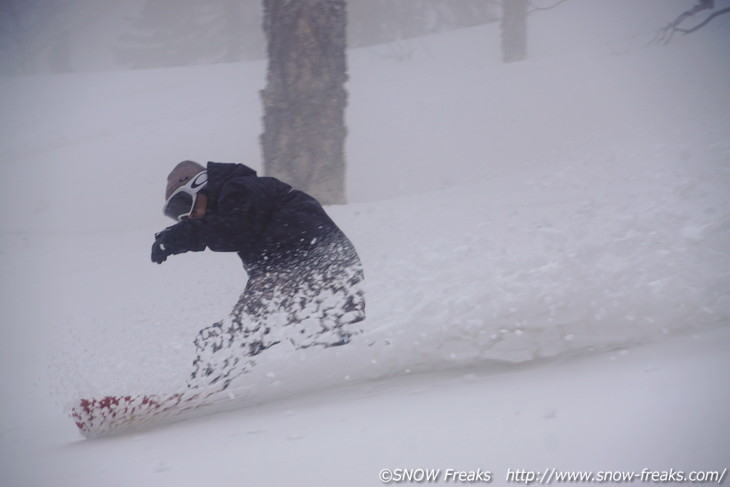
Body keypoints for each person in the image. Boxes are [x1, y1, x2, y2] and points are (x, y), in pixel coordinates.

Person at [152, 160, 365, 390]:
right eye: (177, 215)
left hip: (313, 268)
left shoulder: (241, 189)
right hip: (323, 271)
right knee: (318, 334)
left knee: (234, 334)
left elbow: (236, 231)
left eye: (183, 205)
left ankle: (202, 388)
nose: (187, 217)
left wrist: (183, 234)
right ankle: (360, 363)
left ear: (201, 184)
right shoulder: (231, 204)